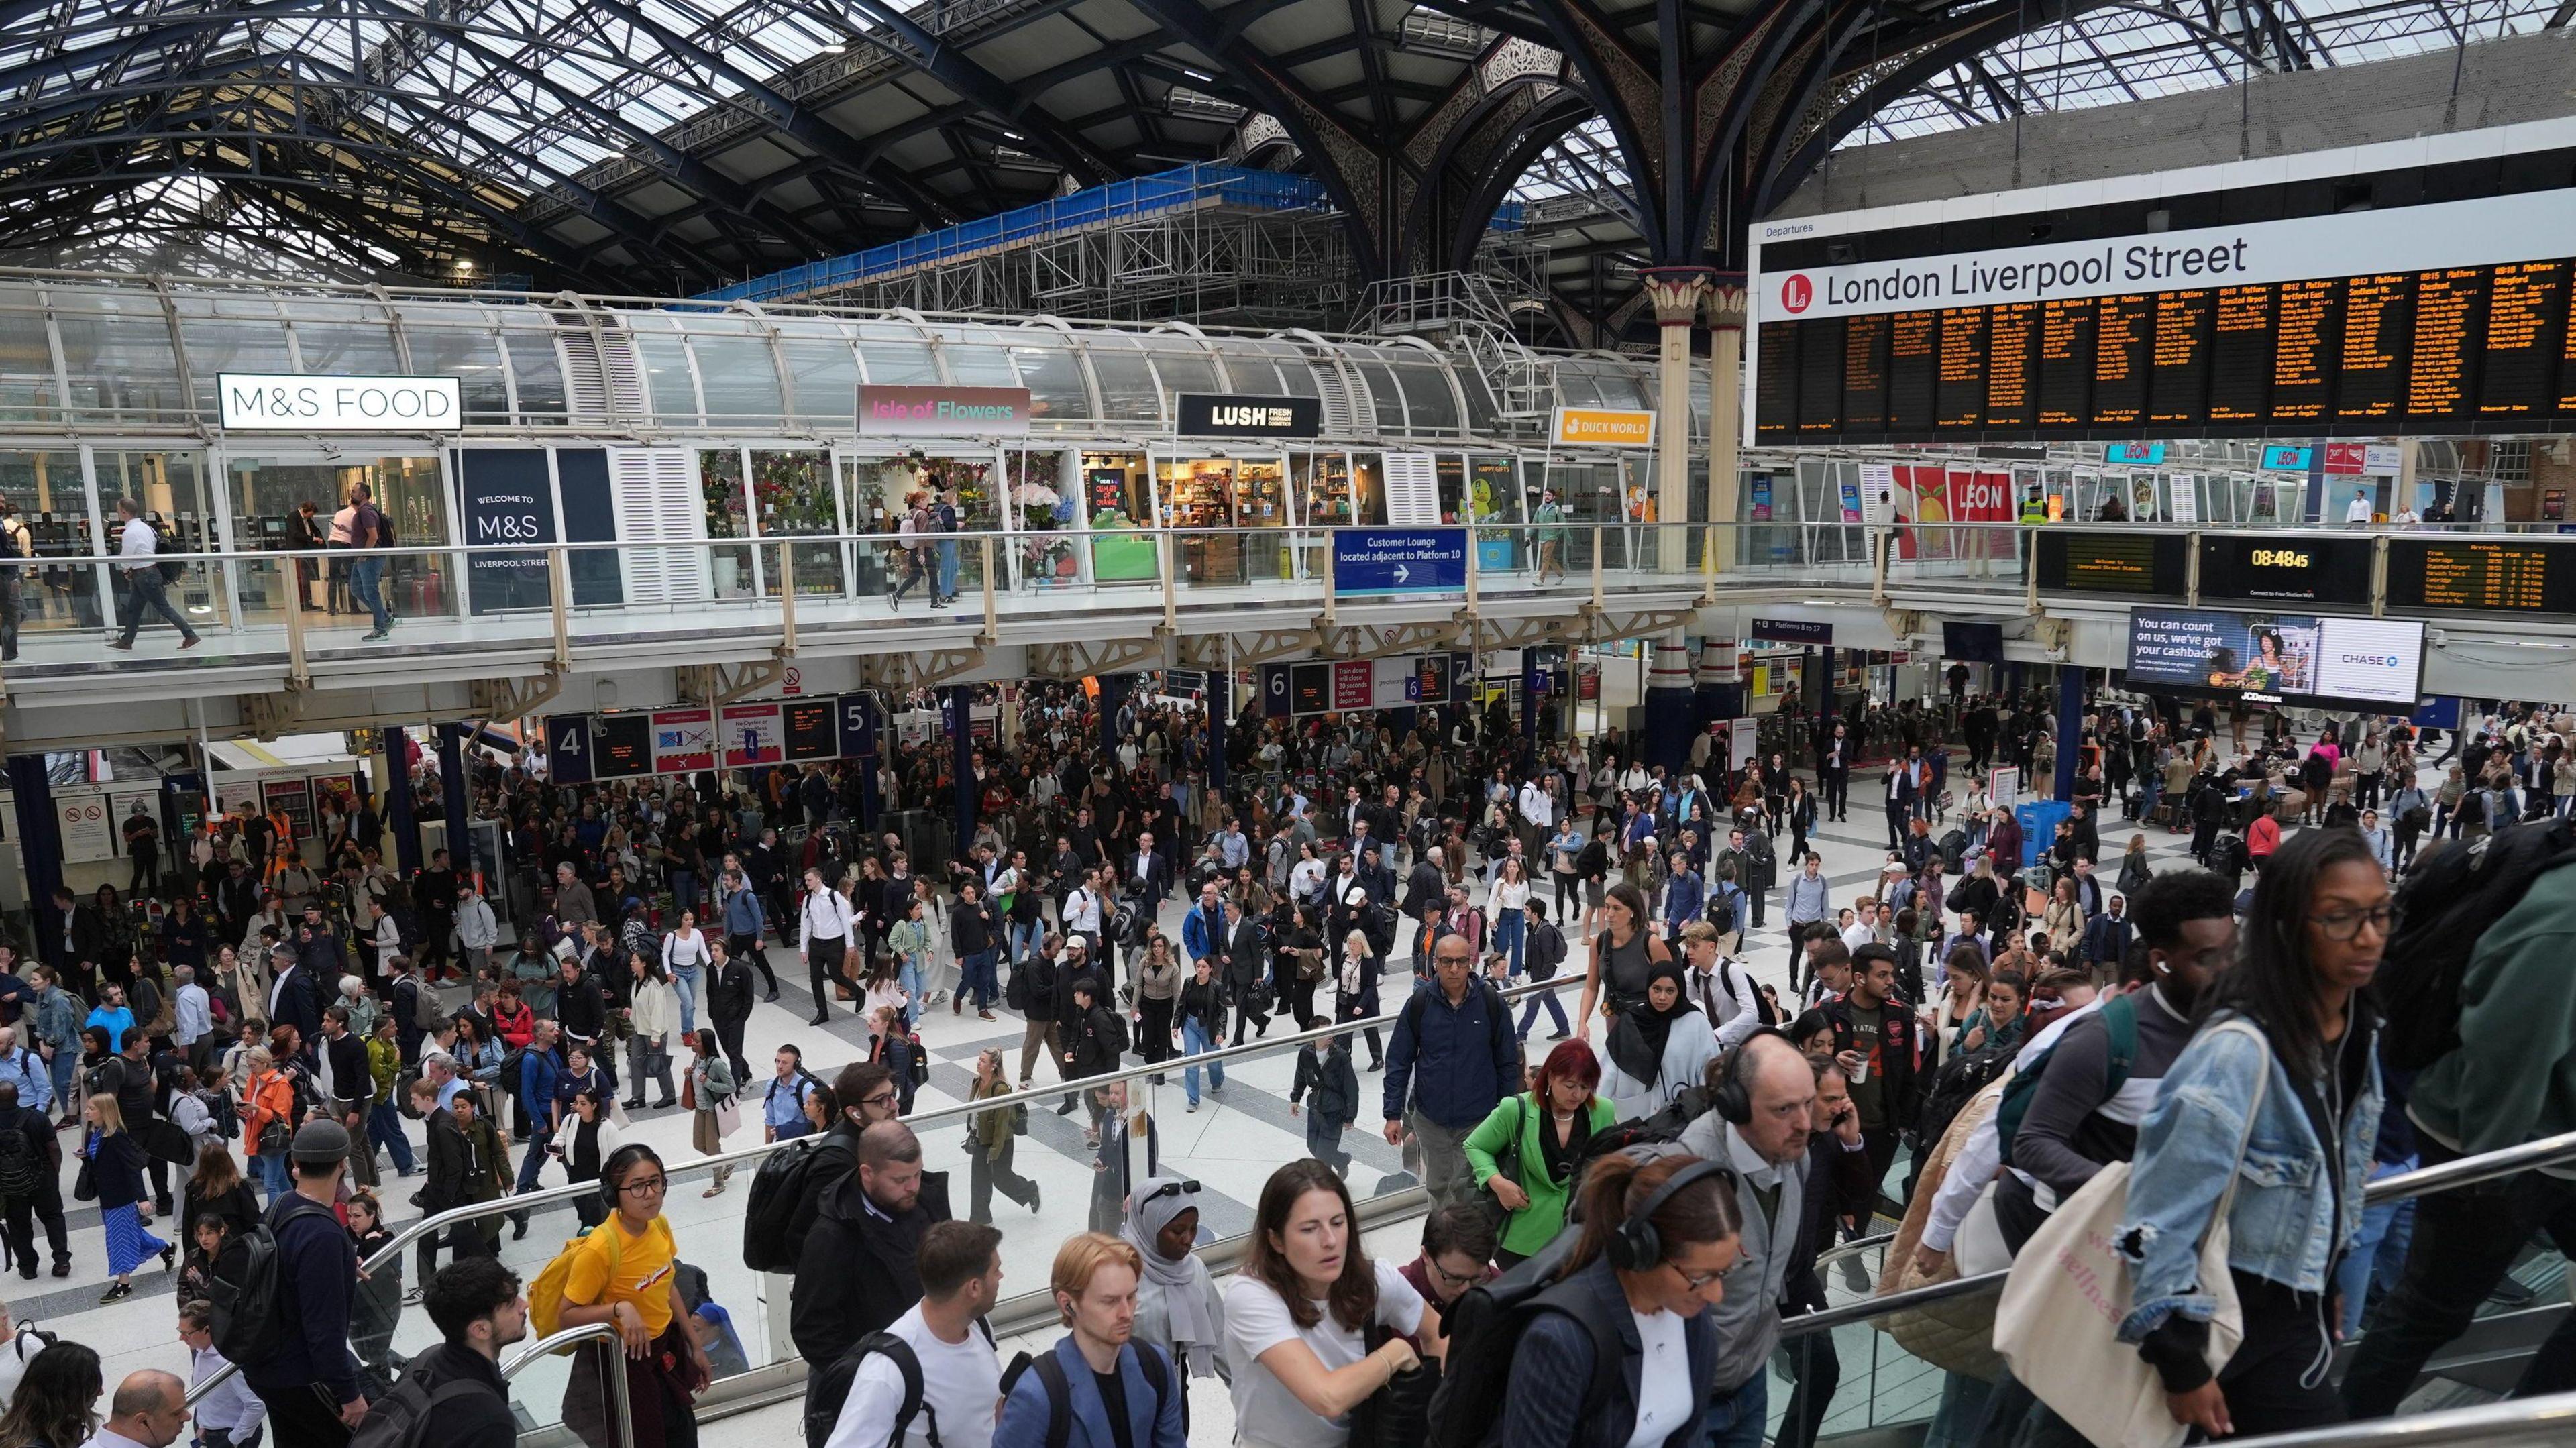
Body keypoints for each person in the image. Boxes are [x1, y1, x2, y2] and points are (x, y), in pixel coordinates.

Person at [2118, 827, 2385, 1439]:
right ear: (2288, 927)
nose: (2369, 936)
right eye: (2341, 918)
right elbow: (2152, 1222)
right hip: (2223, 1325)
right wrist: (2181, 1363)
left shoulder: (2358, 1028)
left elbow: (2338, 1171)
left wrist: (2327, 1283)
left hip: (2297, 1312)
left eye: (2378, 914)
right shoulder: (2236, 1054)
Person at [1496, 1152, 1741, 1448]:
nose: (1717, 1295)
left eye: (1723, 1273)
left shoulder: (1691, 1315)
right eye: (1701, 1276)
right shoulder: (1559, 1341)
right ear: (1642, 1252)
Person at [1220, 1160, 1434, 1448]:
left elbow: (1440, 1335)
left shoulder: (1375, 1279)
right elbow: (1327, 1397)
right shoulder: (1251, 1294)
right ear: (1276, 1240)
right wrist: (1393, 1354)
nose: (1330, 1240)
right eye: (1309, 1229)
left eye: (1338, 1222)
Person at [1676, 1031, 1817, 1447]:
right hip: (1690, 1396)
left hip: (1750, 1383)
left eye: (1808, 1104)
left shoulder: (1794, 1158)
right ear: (1735, 1107)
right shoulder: (1691, 1174)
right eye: (1784, 1109)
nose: (1804, 1125)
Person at [555, 1144, 713, 1448]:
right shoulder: (601, 1248)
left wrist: (696, 1346)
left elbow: (667, 1285)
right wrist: (619, 1308)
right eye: (637, 1187)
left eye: (656, 1182)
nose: (651, 1194)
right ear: (614, 1194)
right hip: (622, 1363)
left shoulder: (659, 1225)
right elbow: (566, 1315)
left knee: (682, 1433)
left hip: (664, 1349)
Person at [792, 1121, 953, 1409]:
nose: (913, 1187)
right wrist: (875, 1378)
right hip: (874, 1390)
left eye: (917, 1174)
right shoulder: (831, 1237)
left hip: (933, 1371)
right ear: (867, 1173)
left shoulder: (926, 1199)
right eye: (901, 1180)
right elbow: (812, 1330)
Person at [819, 1221, 1006, 1448]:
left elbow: (991, 1408)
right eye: (996, 1270)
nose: (1001, 1276)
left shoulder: (979, 1326)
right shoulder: (887, 1372)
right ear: (974, 1288)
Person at [993, 1233, 1187, 1448]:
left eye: (1131, 1297)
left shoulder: (1156, 1365)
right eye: (1110, 1301)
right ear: (1068, 1304)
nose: (1126, 1313)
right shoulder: (1036, 1395)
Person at [242, 1120, 368, 1443]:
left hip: (264, 1364)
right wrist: (349, 1394)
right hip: (300, 1374)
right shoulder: (323, 1235)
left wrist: (338, 1264)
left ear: (295, 1164)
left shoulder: (282, 1204)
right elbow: (323, 1331)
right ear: (343, 1165)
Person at [1381, 931, 1518, 1211]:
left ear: (1471, 964)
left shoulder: (1491, 1002)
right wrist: (1392, 1113)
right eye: (1446, 961)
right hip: (1432, 1120)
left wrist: (1507, 1116)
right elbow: (1398, 1060)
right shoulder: (1420, 1003)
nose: (1454, 968)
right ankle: (1442, 1247)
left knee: (1473, 1190)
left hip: (1479, 1119)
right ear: (1435, 964)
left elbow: (1507, 1062)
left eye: (1460, 961)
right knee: (1439, 1187)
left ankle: (1469, 1248)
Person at [1464, 1038, 1616, 1268]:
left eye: (1585, 1087)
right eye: (1570, 1085)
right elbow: (1476, 1146)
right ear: (1552, 1076)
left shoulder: (1602, 1111)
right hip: (1522, 1237)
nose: (1578, 1095)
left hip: (1579, 1236)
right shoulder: (1516, 1109)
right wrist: (1497, 1182)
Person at [390, 1257, 524, 1448]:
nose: (524, 1305)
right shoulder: (490, 1421)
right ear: (481, 1330)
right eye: (512, 1304)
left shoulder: (426, 1359)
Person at [1123, 1176, 1225, 1410]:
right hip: (1129, 1395)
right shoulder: (1122, 1274)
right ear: (1149, 1226)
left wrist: (1248, 1393)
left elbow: (1220, 1335)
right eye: (1177, 1230)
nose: (1188, 1239)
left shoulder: (1194, 1269)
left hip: (1175, 1393)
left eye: (1193, 1228)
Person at [77, 1093, 171, 1304]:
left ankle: (124, 1283)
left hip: (121, 1197)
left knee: (118, 1239)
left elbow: (132, 1168)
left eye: (92, 1108)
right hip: (108, 1196)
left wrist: (142, 1198)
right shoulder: (95, 1134)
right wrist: (85, 1155)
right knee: (132, 1233)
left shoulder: (117, 1137)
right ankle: (165, 1248)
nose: (87, 1111)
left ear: (105, 1111)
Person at [1599, 960, 1719, 1121]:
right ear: (1648, 987)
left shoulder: (1696, 1023)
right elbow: (1609, 1070)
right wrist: (1595, 1113)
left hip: (1681, 1119)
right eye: (1657, 989)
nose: (1662, 997)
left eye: (1670, 991)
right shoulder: (1632, 1020)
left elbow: (1709, 1070)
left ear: (1680, 991)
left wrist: (1709, 1117)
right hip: (1635, 1120)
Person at [105, 497, 199, 652]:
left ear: (123, 512)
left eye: (118, 510)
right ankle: (127, 641)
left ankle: (190, 635)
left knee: (163, 608)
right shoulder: (147, 528)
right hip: (149, 573)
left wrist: (125, 570)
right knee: (134, 609)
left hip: (144, 575)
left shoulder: (130, 532)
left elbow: (126, 557)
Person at [1577, 881, 1669, 1029]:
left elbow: (1671, 986)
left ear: (1632, 910)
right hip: (1615, 1021)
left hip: (1649, 1023)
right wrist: (1582, 1022)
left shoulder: (1651, 943)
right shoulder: (1599, 942)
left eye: (1617, 908)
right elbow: (1591, 986)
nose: (1610, 914)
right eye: (1607, 907)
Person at [0, 1082, 67, 1278]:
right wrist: (54, 1173)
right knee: (53, 1217)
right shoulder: (37, 1117)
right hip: (42, 1177)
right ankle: (62, 1259)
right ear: (18, 1096)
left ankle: (27, 1267)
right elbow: (54, 1148)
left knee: (18, 1225)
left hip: (9, 1184)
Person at [180, 1298, 266, 1448]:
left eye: (187, 1333)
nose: (181, 1338)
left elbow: (257, 1405)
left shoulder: (229, 1362)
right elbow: (206, 1394)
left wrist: (232, 1441)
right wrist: (202, 1424)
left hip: (235, 1436)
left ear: (207, 1330)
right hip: (212, 1431)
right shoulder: (201, 1350)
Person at [966, 1049, 1038, 1224]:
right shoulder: (977, 1082)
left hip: (1000, 1142)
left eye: (983, 1061)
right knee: (979, 1181)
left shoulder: (1000, 1089)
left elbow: (1002, 1123)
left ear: (993, 1066)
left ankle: (1030, 1191)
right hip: (981, 1139)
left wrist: (995, 1150)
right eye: (979, 1059)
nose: (978, 1063)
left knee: (1002, 1180)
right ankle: (980, 1218)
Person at [1287, 1021, 1360, 1178]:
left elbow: (1352, 1087)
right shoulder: (1306, 1053)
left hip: (1334, 1110)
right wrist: (1296, 1098)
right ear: (1314, 1034)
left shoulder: (1340, 1056)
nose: (1330, 1035)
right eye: (1325, 1032)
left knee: (1323, 1156)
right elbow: (1300, 1075)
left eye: (1331, 1031)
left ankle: (1325, 1188)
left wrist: (1350, 1117)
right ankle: (1342, 1160)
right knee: (1312, 1145)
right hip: (1315, 1106)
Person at [0, 1339, 101, 1448]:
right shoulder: (36, 1442)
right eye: (91, 1385)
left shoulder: (52, 1432)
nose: (101, 1392)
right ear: (67, 1393)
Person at [798, 867, 858, 1027]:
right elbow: (805, 924)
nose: (807, 883)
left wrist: (850, 944)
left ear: (818, 879)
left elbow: (846, 920)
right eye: (806, 880)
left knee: (836, 976)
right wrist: (803, 948)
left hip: (835, 942)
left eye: (809, 880)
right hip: (817, 943)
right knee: (815, 980)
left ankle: (860, 992)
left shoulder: (834, 896)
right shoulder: (808, 899)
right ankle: (822, 1013)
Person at [558, 1088, 627, 1229]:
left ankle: (589, 1232)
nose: (578, 1107)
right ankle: (586, 1226)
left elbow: (619, 1155)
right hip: (576, 1174)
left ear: (594, 1106)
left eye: (583, 1104)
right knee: (581, 1207)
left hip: (597, 1177)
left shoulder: (607, 1127)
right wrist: (558, 1145)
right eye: (576, 1103)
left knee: (595, 1214)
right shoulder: (571, 1120)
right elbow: (561, 1135)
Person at [685, 1029, 737, 1198]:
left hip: (712, 1110)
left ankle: (719, 1183)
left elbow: (731, 1087)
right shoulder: (697, 1059)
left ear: (706, 1044)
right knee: (699, 1144)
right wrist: (689, 1074)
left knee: (713, 1149)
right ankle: (728, 1162)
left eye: (696, 1041)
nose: (693, 1043)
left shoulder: (717, 1064)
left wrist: (709, 1083)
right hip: (700, 1108)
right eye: (693, 1040)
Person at [625, 955, 678, 1110]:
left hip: (654, 1032)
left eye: (634, 960)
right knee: (635, 1061)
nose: (631, 963)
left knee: (659, 1063)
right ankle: (638, 1097)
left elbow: (657, 1011)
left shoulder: (654, 985)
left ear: (644, 963)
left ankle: (669, 1096)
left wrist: (656, 1035)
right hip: (639, 1030)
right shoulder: (636, 980)